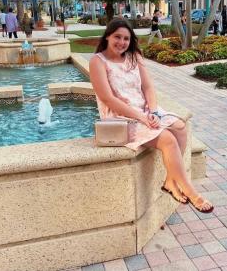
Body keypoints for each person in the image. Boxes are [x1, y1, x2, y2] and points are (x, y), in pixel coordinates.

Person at [89, 18, 214, 213]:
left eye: (126, 38)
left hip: (145, 110)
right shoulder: (98, 61)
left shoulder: (134, 56)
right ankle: (190, 191)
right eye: (117, 37)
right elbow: (108, 99)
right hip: (120, 117)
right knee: (168, 140)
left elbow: (148, 87)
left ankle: (170, 181)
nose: (122, 42)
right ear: (107, 36)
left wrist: (153, 111)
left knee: (180, 127)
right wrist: (141, 117)